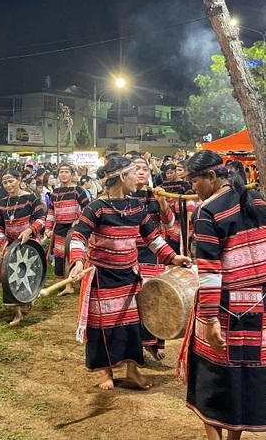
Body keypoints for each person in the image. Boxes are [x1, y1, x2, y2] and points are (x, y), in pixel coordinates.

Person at [174, 150, 266, 440]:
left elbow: (209, 271)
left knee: (212, 375)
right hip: (258, 301)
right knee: (246, 370)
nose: (191, 188)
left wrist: (209, 318)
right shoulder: (256, 199)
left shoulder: (206, 212)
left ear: (210, 176)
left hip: (224, 305)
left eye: (193, 181)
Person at [67, 156, 192, 390]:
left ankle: (132, 370)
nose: (139, 177)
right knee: (103, 327)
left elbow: (152, 238)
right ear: (122, 177)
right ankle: (106, 372)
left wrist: (173, 257)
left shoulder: (136, 205)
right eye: (135, 172)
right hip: (102, 276)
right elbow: (78, 236)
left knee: (131, 326)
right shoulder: (96, 207)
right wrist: (76, 261)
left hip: (129, 275)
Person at [132, 155, 175, 360]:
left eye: (145, 169)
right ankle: (135, 345)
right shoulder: (124, 197)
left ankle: (154, 342)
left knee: (154, 299)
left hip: (154, 253)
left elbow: (169, 224)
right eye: (137, 168)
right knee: (134, 301)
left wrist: (163, 203)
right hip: (130, 254)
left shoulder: (156, 195)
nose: (141, 172)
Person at [0, 169, 46, 326]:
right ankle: (17, 313)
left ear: (19, 180)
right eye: (5, 183)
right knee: (9, 276)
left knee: (29, 274)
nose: (8, 185)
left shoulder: (30, 199)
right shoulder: (2, 203)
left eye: (11, 181)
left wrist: (30, 230)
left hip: (29, 244)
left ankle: (27, 298)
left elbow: (41, 218)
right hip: (11, 244)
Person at [44, 163, 89, 293]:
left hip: (74, 228)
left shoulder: (78, 190)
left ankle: (79, 282)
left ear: (72, 174)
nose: (63, 174)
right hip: (59, 227)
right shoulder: (55, 193)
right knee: (61, 255)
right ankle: (67, 285)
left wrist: (79, 219)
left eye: (66, 172)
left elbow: (88, 207)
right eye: (61, 172)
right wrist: (48, 227)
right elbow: (51, 211)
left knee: (74, 255)